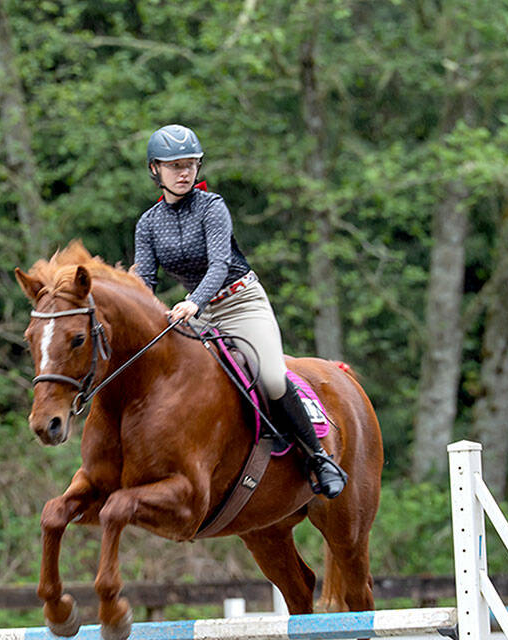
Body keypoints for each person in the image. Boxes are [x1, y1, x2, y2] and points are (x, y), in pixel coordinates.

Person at [132, 123, 347, 498]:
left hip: (239, 302)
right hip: (193, 313)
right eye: (174, 166)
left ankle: (317, 457)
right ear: (155, 170)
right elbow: (145, 283)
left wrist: (193, 302)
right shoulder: (147, 225)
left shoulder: (212, 207)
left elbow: (218, 265)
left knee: (273, 378)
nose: (183, 173)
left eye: (190, 164)